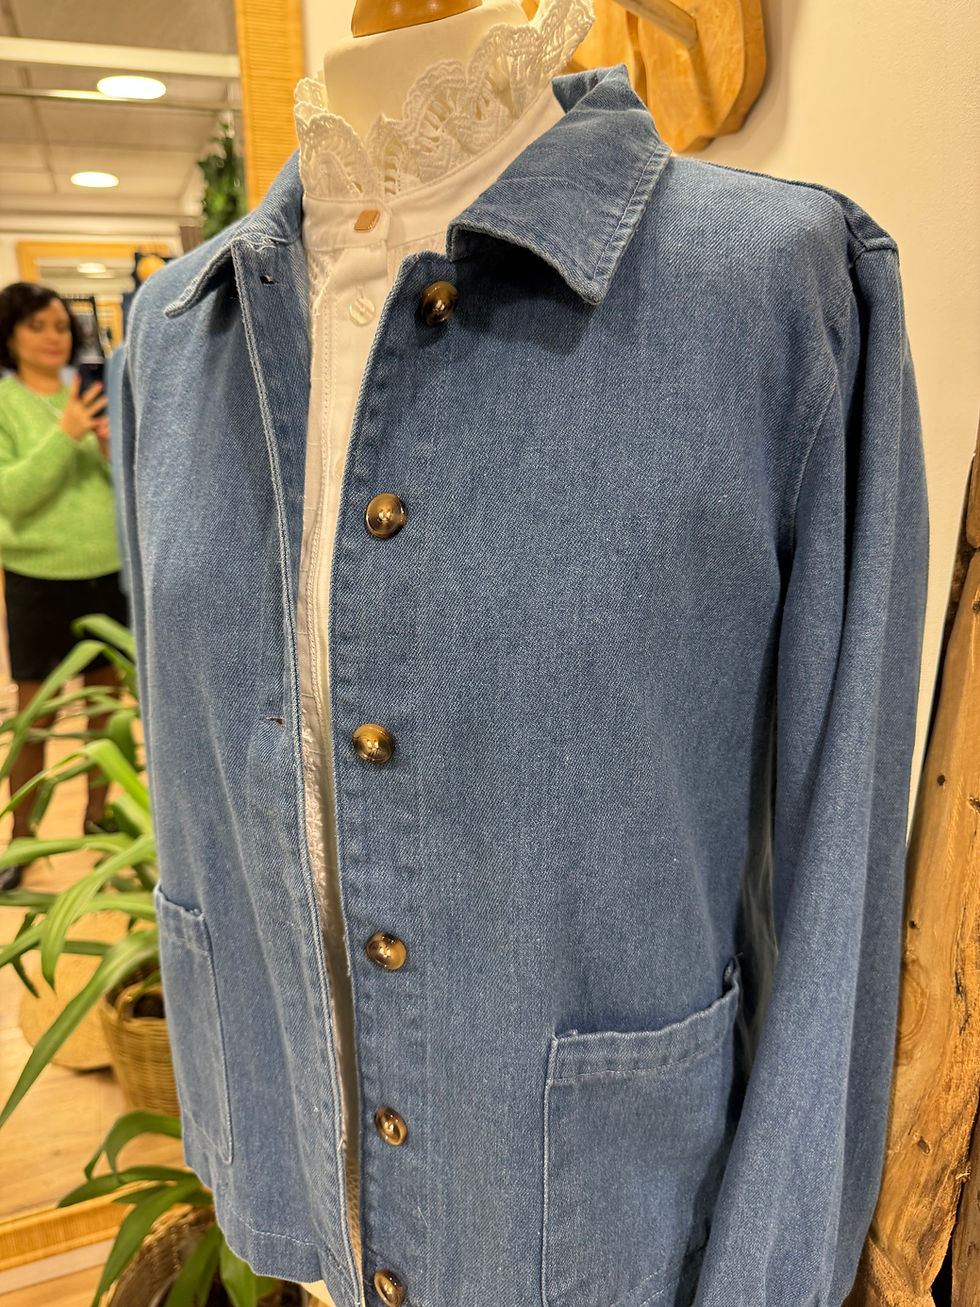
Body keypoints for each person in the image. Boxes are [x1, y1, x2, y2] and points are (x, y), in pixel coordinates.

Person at [0, 281, 130, 891]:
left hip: (108, 569)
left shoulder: (89, 391)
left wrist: (107, 446)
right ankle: (20, 837)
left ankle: (99, 819)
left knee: (107, 707)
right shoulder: (6, 402)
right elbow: (12, 497)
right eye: (37, 326)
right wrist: (67, 433)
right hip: (38, 579)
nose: (53, 337)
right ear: (9, 336)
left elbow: (122, 480)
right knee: (37, 715)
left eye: (60, 326)